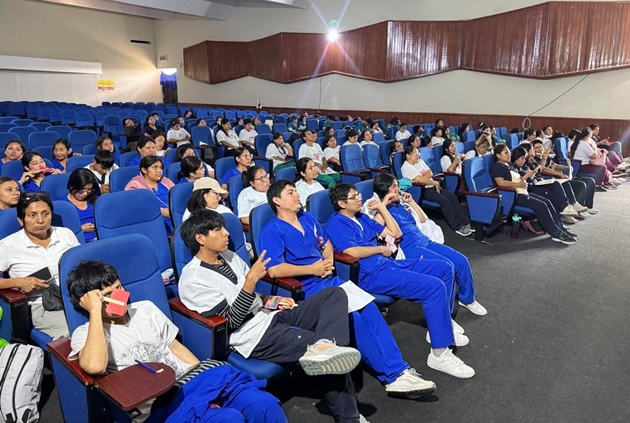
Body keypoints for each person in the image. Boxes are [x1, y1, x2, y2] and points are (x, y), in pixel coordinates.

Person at [178, 210, 364, 422]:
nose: (226, 233)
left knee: (334, 295)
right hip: (252, 336)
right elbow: (231, 322)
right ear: (200, 238)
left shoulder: (229, 257)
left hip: (270, 315)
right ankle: (350, 417)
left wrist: (272, 300)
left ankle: (327, 347)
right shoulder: (193, 280)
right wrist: (250, 282)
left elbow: (252, 296)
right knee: (329, 357)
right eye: (218, 230)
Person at [260, 179, 444, 392]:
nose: (297, 195)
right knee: (353, 316)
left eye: (295, 191)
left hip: (328, 278)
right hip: (306, 287)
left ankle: (400, 369)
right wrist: (313, 269)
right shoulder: (272, 230)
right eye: (291, 192)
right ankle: (391, 376)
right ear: (277, 200)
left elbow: (325, 244)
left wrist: (327, 263)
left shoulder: (307, 218)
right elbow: (274, 270)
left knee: (369, 307)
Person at [66, 260, 289, 423]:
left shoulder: (144, 308)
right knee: (228, 419)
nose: (121, 295)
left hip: (190, 382)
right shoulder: (86, 334)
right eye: (109, 293)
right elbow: (94, 367)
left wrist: (207, 386)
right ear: (91, 302)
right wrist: (95, 312)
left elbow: (175, 347)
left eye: (120, 287)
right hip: (160, 404)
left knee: (263, 404)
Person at [322, 183, 475, 378]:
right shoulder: (336, 223)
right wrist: (380, 249)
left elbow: (396, 234)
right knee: (434, 287)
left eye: (358, 194)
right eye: (354, 197)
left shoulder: (361, 217)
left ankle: (440, 326)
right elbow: (350, 252)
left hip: (386, 264)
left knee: (445, 268)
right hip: (370, 274)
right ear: (342, 203)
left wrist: (382, 208)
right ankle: (439, 354)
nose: (360, 198)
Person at [366, 174, 487, 316]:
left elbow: (423, 219)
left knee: (461, 261)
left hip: (424, 241)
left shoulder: (400, 204)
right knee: (447, 267)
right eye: (394, 186)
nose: (398, 189)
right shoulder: (379, 210)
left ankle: (466, 299)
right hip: (410, 249)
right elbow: (374, 230)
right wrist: (383, 205)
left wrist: (411, 202)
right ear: (385, 189)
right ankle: (444, 316)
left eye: (397, 185)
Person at [0, 191, 80, 339]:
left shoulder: (65, 234)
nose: (40, 220)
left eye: (45, 214)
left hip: (75, 296)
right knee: (77, 331)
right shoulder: (8, 245)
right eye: (32, 215)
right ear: (21, 220)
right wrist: (18, 282)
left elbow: (82, 265)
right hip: (41, 305)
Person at [490, 144, 577, 244]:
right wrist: (518, 184)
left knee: (547, 201)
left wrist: (523, 181)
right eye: (506, 153)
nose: (509, 155)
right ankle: (556, 233)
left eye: (509, 152)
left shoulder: (509, 165)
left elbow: (517, 179)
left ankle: (560, 227)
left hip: (522, 191)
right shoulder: (497, 167)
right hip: (512, 196)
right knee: (541, 205)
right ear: (498, 155)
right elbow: (501, 183)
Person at [400, 145, 473, 236]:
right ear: (408, 155)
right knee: (444, 201)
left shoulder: (420, 161)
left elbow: (430, 173)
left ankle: (465, 222)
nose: (417, 154)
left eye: (418, 152)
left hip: (432, 185)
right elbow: (421, 180)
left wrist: (426, 179)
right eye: (414, 153)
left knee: (453, 197)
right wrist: (433, 182)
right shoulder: (406, 167)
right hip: (422, 190)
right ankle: (457, 227)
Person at [532, 139, 599, 216]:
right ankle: (577, 209)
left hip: (560, 178)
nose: (539, 149)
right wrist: (559, 173)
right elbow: (542, 170)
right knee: (580, 185)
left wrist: (566, 167)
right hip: (552, 180)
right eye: (536, 148)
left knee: (590, 181)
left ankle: (588, 207)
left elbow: (554, 165)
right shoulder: (534, 160)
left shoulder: (546, 158)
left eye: (541, 147)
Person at [125, 156, 175, 234]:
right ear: (144, 170)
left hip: (173, 214)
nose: (159, 171)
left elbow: (177, 197)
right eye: (154, 168)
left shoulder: (165, 181)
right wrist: (162, 211)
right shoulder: (134, 185)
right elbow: (136, 207)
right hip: (154, 219)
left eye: (160, 167)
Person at [64, 168, 99, 242]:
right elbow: (59, 232)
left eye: (89, 189)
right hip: (78, 241)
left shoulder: (95, 200)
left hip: (100, 238)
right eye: (82, 190)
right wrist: (79, 229)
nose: (85, 194)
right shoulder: (63, 205)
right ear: (72, 186)